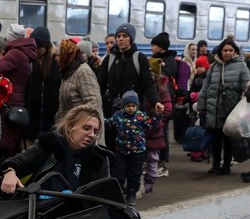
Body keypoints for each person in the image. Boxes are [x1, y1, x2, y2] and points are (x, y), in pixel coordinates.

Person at [98, 23, 162, 153]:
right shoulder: (109, 59)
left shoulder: (139, 58)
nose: (121, 39)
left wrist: (156, 101)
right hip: (112, 111)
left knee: (132, 149)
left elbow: (148, 84)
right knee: (111, 145)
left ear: (131, 39)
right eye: (118, 36)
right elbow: (100, 84)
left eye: (125, 36)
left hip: (133, 113)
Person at [197, 37, 250, 175]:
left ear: (235, 52)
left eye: (231, 50)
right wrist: (201, 105)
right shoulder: (214, 67)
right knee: (215, 139)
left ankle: (226, 165)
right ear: (220, 51)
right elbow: (205, 87)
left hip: (231, 110)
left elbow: (246, 87)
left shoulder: (241, 66)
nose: (228, 53)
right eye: (225, 50)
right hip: (213, 109)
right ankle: (215, 164)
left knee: (228, 139)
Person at [0, 24, 35, 169]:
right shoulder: (25, 52)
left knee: (1, 144)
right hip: (17, 103)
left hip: (8, 102)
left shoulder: (15, 53)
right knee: (8, 144)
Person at [106, 90, 163, 205]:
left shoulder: (141, 116)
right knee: (119, 172)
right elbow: (108, 124)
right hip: (121, 151)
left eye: (133, 106)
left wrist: (157, 115)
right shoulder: (118, 115)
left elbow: (152, 126)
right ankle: (117, 193)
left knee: (134, 174)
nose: (131, 108)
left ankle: (131, 194)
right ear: (124, 106)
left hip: (137, 151)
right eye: (128, 106)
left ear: (137, 106)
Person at [56, 39, 104, 145]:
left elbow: (94, 103)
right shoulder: (67, 72)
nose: (56, 59)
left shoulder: (83, 72)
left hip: (84, 136)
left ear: (66, 55)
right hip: (71, 133)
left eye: (58, 55)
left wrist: (85, 128)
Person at [24, 27, 60, 147]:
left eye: (41, 47)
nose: (37, 50)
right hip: (30, 122)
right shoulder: (28, 61)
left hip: (49, 122)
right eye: (35, 46)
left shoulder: (55, 63)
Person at [143, 58, 173, 195]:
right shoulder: (140, 87)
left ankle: (149, 182)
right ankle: (139, 184)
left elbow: (167, 108)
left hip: (154, 130)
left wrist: (158, 123)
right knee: (140, 159)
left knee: (152, 158)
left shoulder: (162, 90)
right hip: (141, 129)